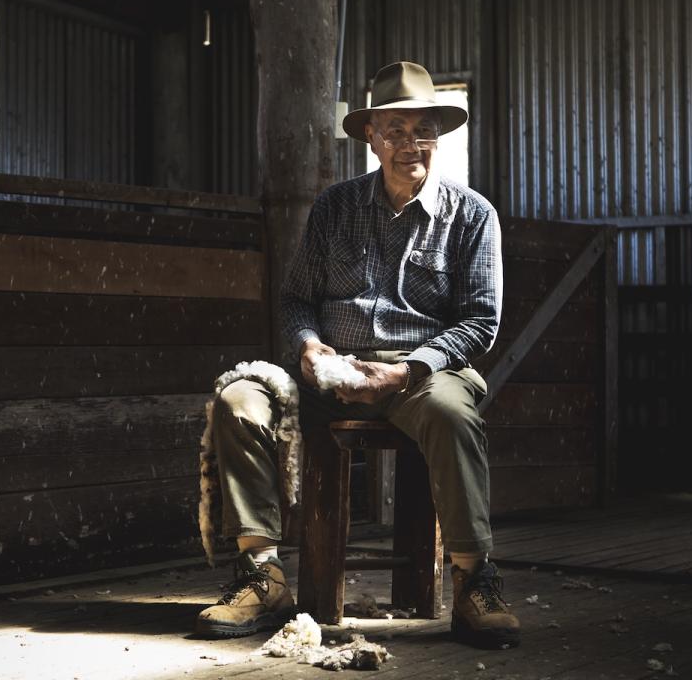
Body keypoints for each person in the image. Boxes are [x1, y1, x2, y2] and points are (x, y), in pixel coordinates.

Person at [194, 61, 520, 649]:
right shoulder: (335, 208)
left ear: (438, 137)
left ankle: (476, 581)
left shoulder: (473, 216)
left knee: (452, 413)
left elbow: (481, 322)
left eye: (422, 130)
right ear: (370, 136)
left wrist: (405, 370)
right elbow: (296, 300)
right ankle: (260, 577)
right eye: (394, 131)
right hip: (332, 370)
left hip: (421, 371)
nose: (409, 144)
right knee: (238, 399)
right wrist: (312, 348)